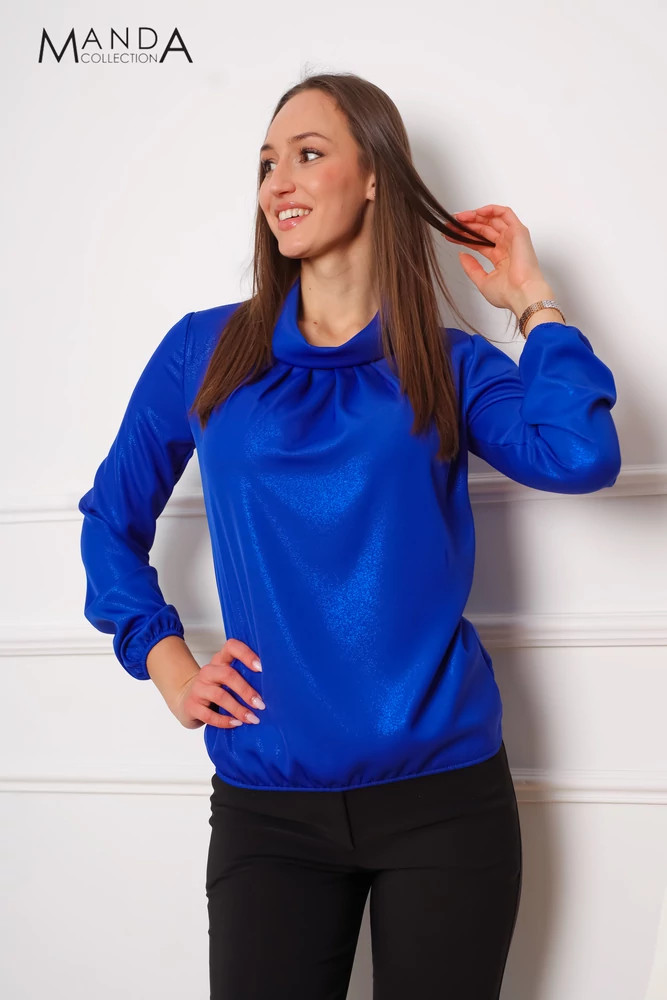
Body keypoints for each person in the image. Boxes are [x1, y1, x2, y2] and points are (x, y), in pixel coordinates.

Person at [77, 72, 621, 999]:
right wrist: (166, 663)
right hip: (268, 809)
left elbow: (579, 457)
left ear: (374, 176)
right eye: (266, 164)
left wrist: (533, 302)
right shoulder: (202, 352)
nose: (277, 183)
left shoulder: (447, 362)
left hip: (444, 799)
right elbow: (108, 520)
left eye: (307, 154)